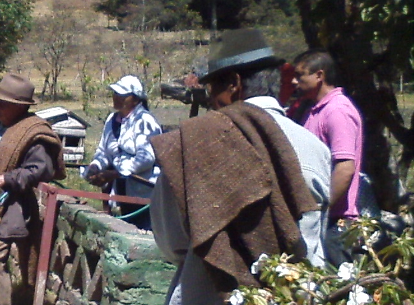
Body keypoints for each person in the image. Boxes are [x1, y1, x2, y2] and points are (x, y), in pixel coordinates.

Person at [149, 29, 322, 304]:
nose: (210, 102)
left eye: (211, 90)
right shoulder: (316, 149)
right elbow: (315, 240)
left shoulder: (194, 143)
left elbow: (171, 242)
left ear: (233, 84)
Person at [0, 73, 66, 305]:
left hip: (4, 206)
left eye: (3, 103)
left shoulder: (32, 132)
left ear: (19, 107)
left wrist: (5, 178)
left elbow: (40, 169)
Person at [293, 49, 364, 266]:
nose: (294, 81)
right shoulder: (313, 110)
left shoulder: (337, 111)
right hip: (322, 220)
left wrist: (322, 208)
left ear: (319, 75)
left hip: (336, 224)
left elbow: (345, 168)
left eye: (300, 75)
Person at [82, 75, 161, 230]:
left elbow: (146, 158)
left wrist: (116, 173)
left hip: (144, 197)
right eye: (115, 93)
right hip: (120, 195)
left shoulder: (145, 122)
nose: (116, 97)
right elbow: (103, 151)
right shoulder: (112, 120)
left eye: (122, 95)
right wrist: (95, 166)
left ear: (136, 100)